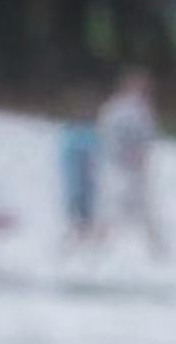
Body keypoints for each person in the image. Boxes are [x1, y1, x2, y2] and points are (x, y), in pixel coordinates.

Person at [97, 66, 168, 258]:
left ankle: (158, 250)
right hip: (118, 169)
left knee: (145, 210)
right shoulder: (116, 110)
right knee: (112, 208)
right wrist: (123, 154)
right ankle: (97, 246)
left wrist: (142, 155)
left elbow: (150, 136)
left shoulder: (144, 110)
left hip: (138, 170)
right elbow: (108, 136)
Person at [55, 101, 104, 251]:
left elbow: (98, 153)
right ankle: (75, 230)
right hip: (74, 175)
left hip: (87, 175)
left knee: (87, 202)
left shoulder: (92, 133)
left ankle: (85, 231)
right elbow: (65, 156)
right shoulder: (69, 132)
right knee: (74, 200)